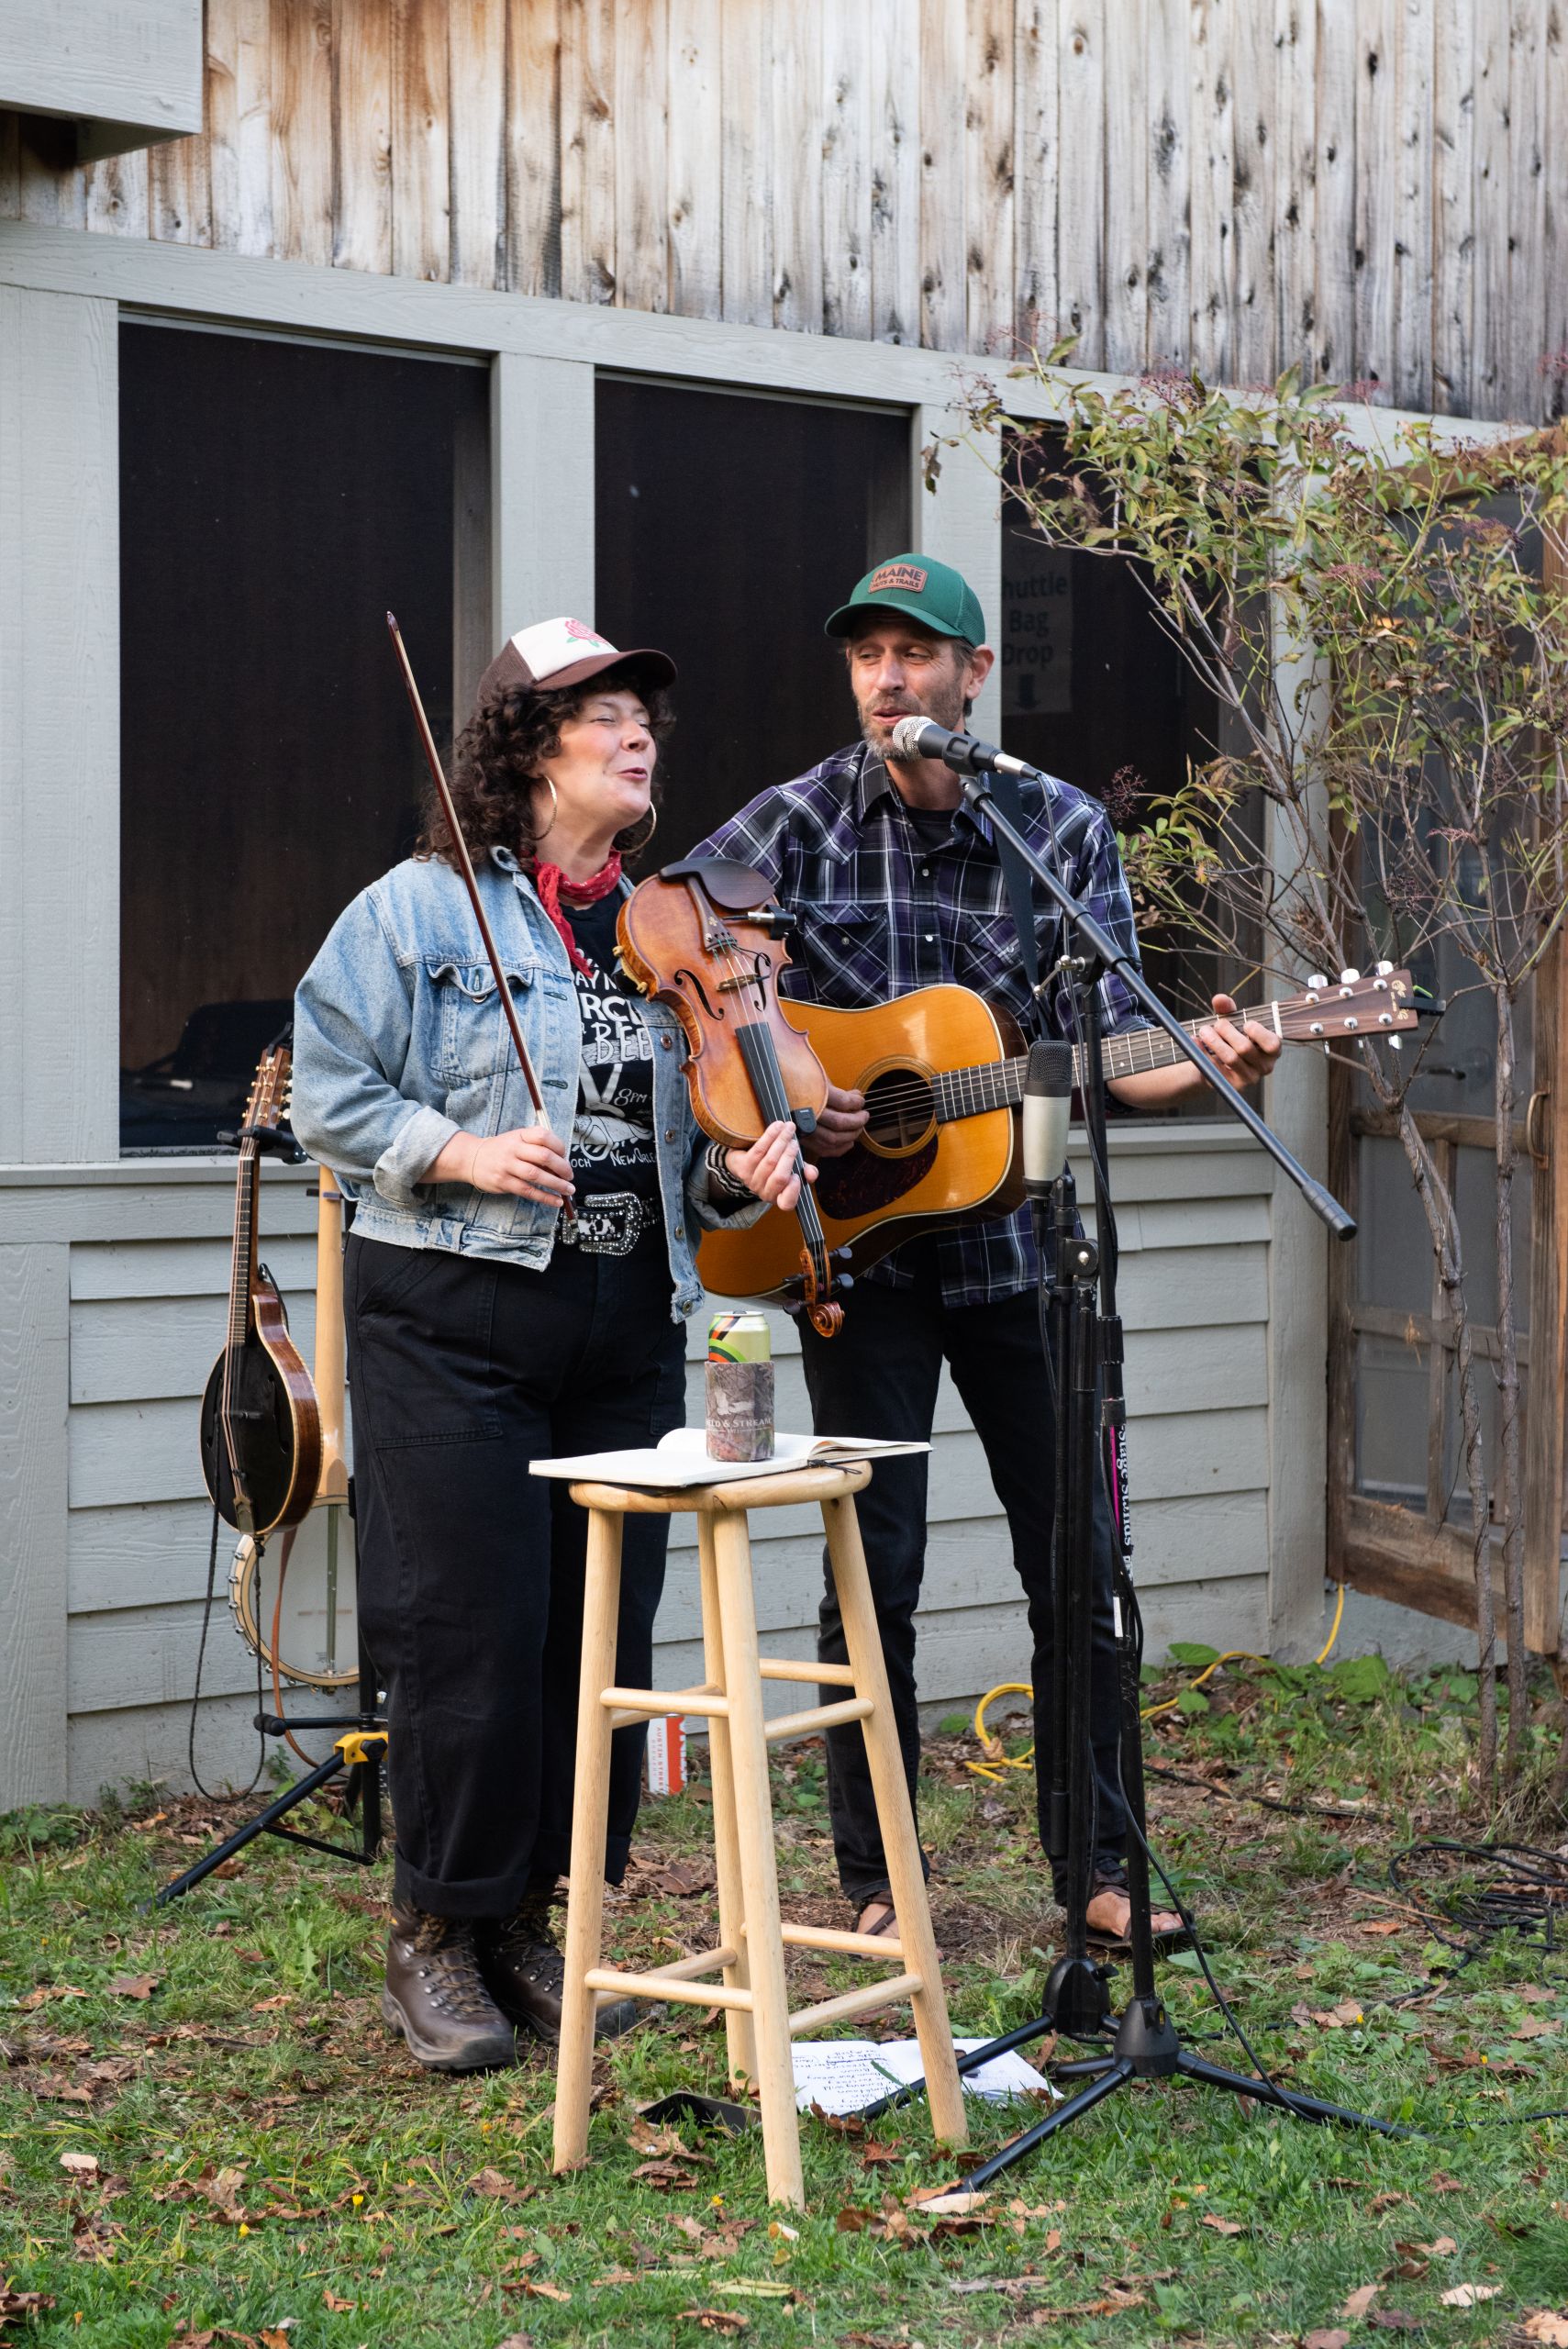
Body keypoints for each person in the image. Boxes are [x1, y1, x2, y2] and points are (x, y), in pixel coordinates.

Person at [692, 555, 1281, 1948]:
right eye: (866, 655)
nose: (887, 677)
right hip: (859, 1261)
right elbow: (692, 970)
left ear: (973, 678)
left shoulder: (1054, 829)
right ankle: (876, 1880)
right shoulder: (783, 831)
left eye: (915, 653)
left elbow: (1115, 1062)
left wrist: (1213, 1055)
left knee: (1080, 1573)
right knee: (870, 1583)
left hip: (1024, 1259)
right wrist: (786, 1087)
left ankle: (1101, 1867)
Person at [291, 618, 809, 2072]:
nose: (637, 729)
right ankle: (436, 1934)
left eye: (645, 710)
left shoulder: (666, 934)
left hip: (620, 1325)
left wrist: (737, 1181)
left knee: (593, 1647)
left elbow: (678, 1160)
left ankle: (534, 1916)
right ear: (526, 747)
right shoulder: (411, 913)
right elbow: (329, 1087)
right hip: (453, 1324)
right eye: (601, 714)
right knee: (466, 1637)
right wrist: (453, 1145)